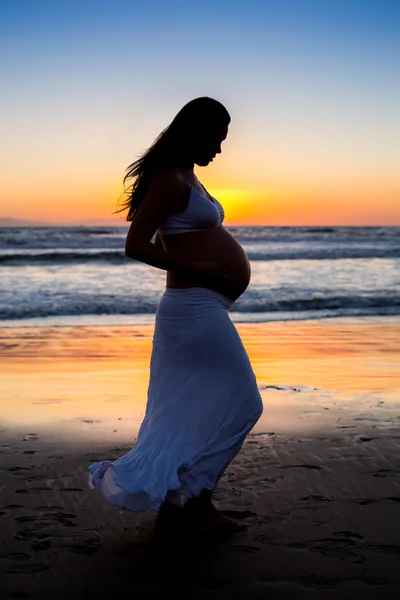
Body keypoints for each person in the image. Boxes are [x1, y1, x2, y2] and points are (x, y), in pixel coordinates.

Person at [88, 97, 263, 535]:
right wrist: (198, 269)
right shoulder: (168, 179)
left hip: (203, 308)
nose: (220, 150)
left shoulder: (188, 177)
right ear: (196, 132)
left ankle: (181, 502)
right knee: (243, 402)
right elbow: (135, 245)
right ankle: (193, 501)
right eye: (217, 139)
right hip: (192, 311)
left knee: (191, 408)